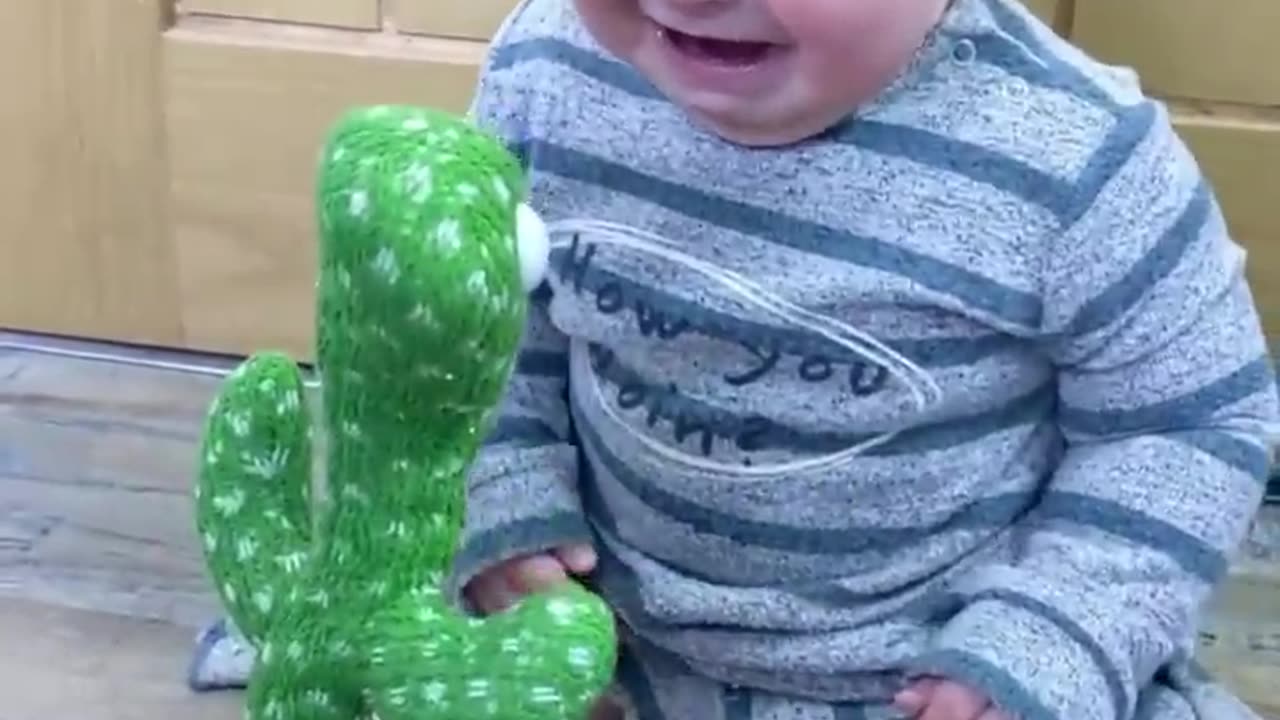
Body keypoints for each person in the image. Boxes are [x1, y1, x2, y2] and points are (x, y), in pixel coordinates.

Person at [445, 0, 1280, 718]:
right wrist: (505, 500)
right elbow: (487, 328)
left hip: (942, 669)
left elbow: (1191, 423)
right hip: (616, 647)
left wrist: (1058, 631)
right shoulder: (546, 70)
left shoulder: (1077, 157)